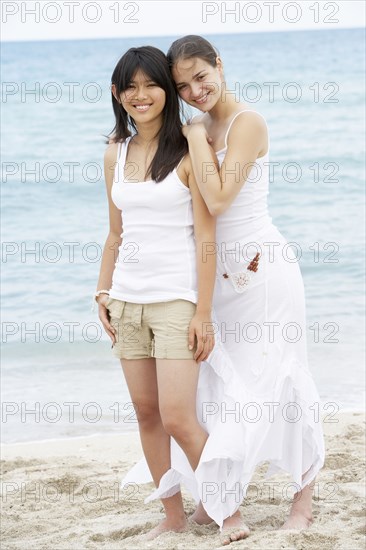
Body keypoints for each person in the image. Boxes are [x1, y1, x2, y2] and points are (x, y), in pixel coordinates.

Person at [131, 35, 325, 545]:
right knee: (219, 389)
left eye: (201, 76)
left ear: (220, 64)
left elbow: (218, 199)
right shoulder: (196, 126)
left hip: (264, 274)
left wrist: (194, 138)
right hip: (216, 279)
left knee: (278, 382)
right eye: (183, 86)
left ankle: (303, 498)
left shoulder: (246, 124)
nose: (196, 90)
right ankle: (215, 494)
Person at [94, 45, 216, 540]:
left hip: (175, 300)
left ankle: (224, 506)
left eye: (151, 85)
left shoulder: (189, 148)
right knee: (146, 414)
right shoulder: (114, 152)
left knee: (179, 416)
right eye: (131, 86)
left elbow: (207, 237)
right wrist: (101, 292)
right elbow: (114, 234)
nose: (141, 95)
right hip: (126, 299)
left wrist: (202, 312)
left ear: (167, 89)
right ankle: (173, 516)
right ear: (117, 93)